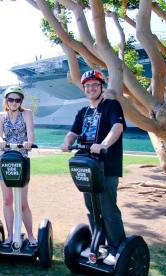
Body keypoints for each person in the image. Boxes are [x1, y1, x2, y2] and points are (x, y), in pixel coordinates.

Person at [60, 70, 127, 266]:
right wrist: (67, 142)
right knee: (91, 208)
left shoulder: (111, 106)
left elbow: (117, 127)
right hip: (87, 166)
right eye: (87, 85)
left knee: (107, 209)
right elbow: (72, 133)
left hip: (106, 166)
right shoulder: (83, 112)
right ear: (84, 89)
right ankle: (99, 245)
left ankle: (116, 249)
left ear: (101, 87)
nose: (91, 88)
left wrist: (103, 145)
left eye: (95, 85)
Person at [0, 85, 36, 247]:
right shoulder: (0, 115)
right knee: (7, 200)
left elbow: (31, 132)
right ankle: (11, 235)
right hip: (4, 159)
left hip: (21, 159)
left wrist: (29, 142)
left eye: (17, 100)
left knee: (23, 202)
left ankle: (31, 235)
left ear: (21, 101)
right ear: (6, 100)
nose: (13, 102)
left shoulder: (26, 113)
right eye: (10, 99)